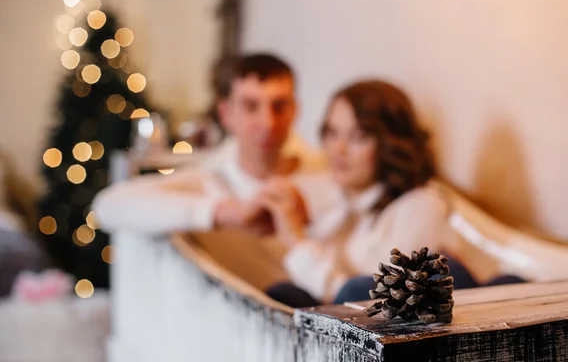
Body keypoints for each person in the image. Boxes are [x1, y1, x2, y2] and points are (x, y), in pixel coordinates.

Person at [256, 80, 523, 307]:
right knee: (280, 294)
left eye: (358, 137)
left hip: (397, 330)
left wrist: (297, 241)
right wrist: (303, 222)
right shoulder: (341, 197)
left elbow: (367, 303)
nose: (338, 149)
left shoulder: (422, 205)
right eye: (332, 133)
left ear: (389, 143)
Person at [93, 53, 323, 235]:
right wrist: (220, 213)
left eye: (279, 106)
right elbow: (108, 206)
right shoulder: (210, 181)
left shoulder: (323, 175)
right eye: (251, 106)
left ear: (295, 110)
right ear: (226, 113)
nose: (268, 122)